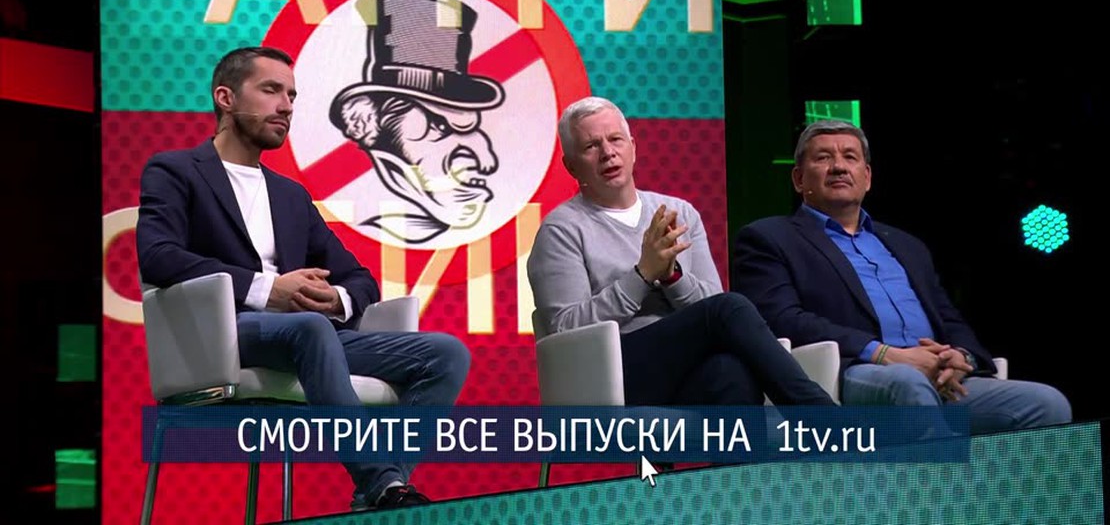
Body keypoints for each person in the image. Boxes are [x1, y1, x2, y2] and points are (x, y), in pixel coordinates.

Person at [136, 46, 471, 510]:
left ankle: (383, 486)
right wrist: (268, 290)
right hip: (223, 333)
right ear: (225, 98)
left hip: (310, 334)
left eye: (291, 95)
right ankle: (382, 483)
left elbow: (359, 278)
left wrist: (335, 299)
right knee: (309, 329)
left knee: (445, 354)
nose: (286, 106)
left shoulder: (290, 195)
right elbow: (158, 256)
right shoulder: (175, 171)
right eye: (271, 90)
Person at [730, 119, 1071, 434]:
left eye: (850, 157)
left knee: (1047, 404)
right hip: (853, 374)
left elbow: (949, 318)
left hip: (939, 378)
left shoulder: (907, 245)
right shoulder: (769, 238)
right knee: (909, 387)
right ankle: (949, 482)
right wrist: (885, 353)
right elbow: (781, 319)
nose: (838, 166)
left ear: (867, 177)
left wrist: (960, 357)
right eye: (823, 158)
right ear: (798, 179)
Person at [526, 96, 835, 409]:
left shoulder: (679, 213)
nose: (608, 152)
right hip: (610, 371)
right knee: (729, 307)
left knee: (731, 373)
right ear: (571, 165)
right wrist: (642, 276)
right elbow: (565, 328)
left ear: (632, 147)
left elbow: (711, 304)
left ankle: (758, 444)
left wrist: (672, 277)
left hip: (681, 366)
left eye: (615, 139)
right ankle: (822, 417)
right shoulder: (561, 229)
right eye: (591, 146)